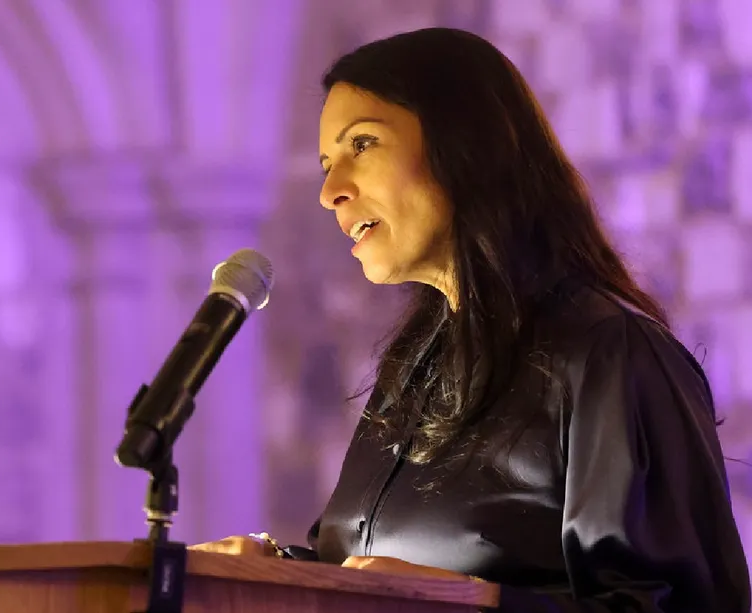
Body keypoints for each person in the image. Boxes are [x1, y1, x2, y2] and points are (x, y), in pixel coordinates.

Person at [193, 27, 751, 612]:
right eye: (327, 163)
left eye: (362, 144)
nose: (331, 190)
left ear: (467, 145)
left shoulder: (608, 353)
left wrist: (465, 603)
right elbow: (370, 575)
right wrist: (270, 573)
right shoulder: (413, 373)